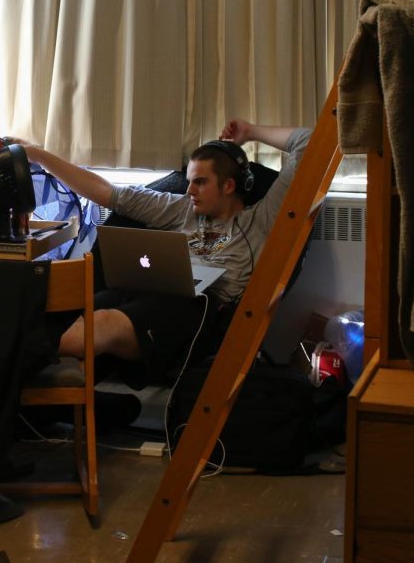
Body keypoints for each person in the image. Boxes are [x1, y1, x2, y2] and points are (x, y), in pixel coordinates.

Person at [21, 120, 313, 381]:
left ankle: (9, 344)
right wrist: (38, 155)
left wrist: (250, 132)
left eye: (200, 182)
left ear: (229, 185)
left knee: (101, 324)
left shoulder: (261, 220)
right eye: (189, 182)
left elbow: (309, 142)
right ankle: (24, 360)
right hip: (149, 291)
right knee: (75, 310)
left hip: (200, 309)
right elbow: (107, 193)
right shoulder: (180, 209)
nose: (189, 191)